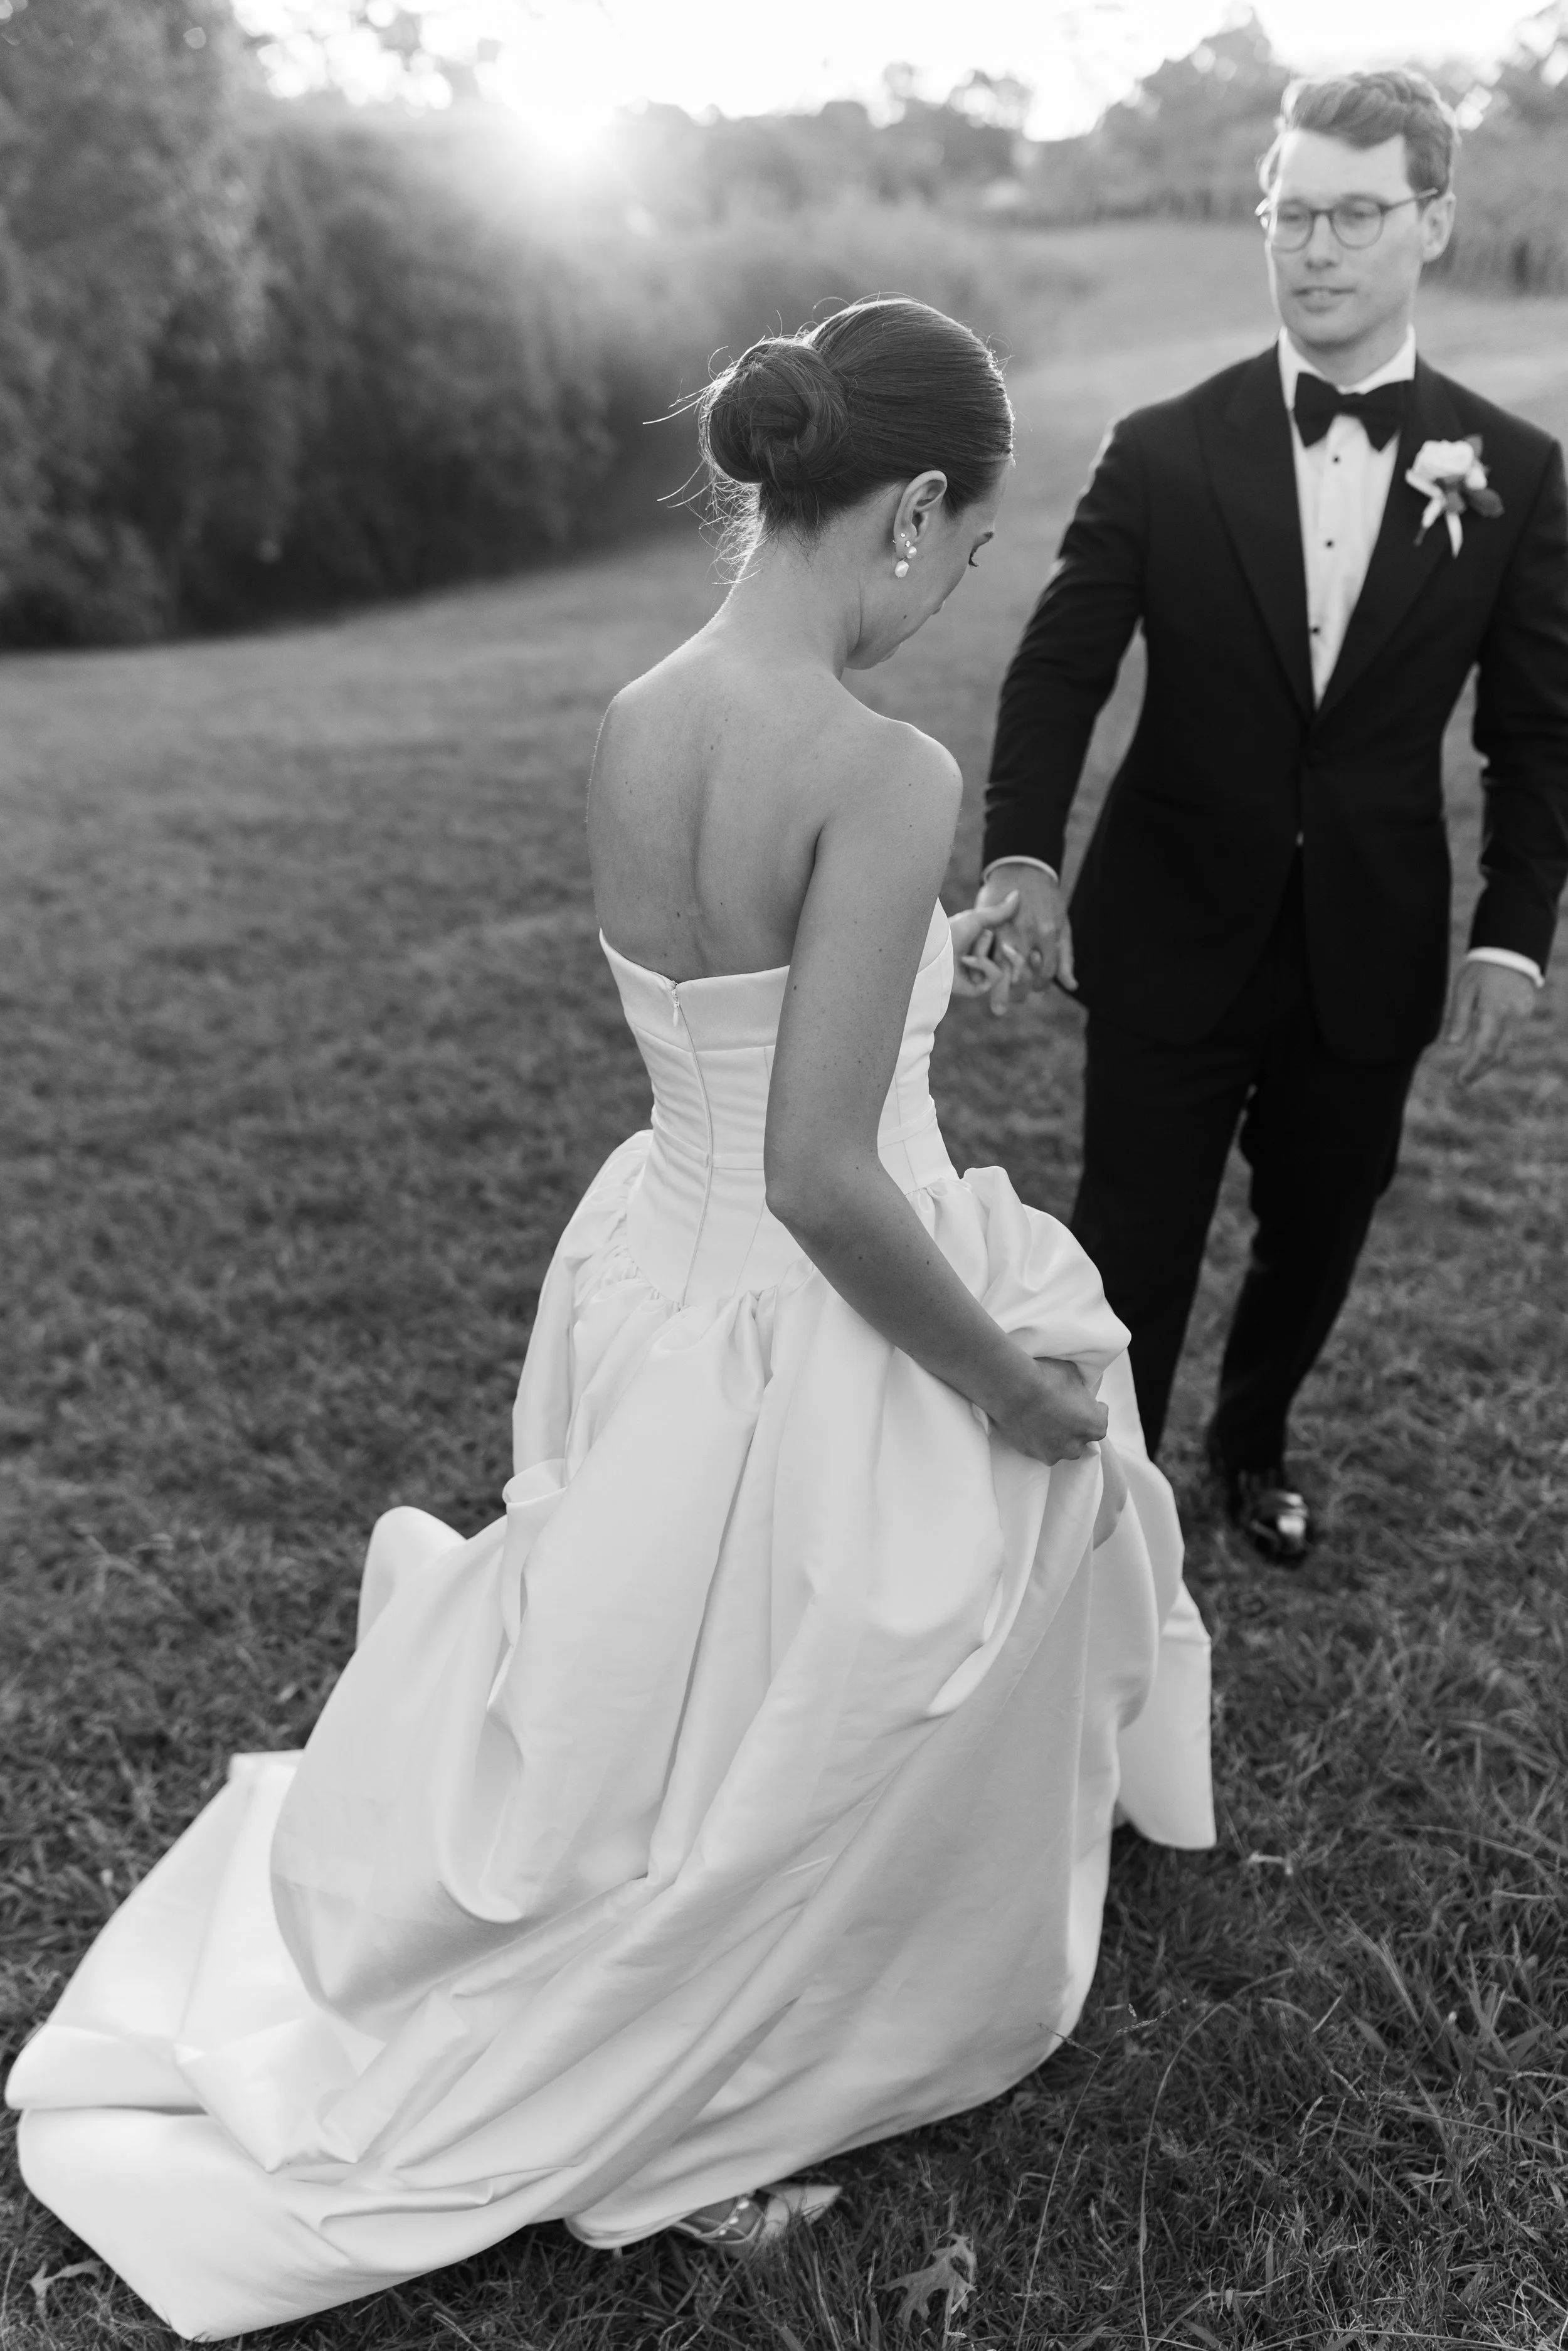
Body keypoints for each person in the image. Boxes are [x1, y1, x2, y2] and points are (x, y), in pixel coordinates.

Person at [7, 298, 1214, 2342]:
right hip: (804, 1293)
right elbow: (828, 1171)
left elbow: (732, 1023)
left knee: (674, 1678)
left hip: (656, 1251)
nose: (957, 587)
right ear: (913, 505)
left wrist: (933, 955)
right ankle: (748, 2021)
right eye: (976, 545)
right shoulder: (881, 767)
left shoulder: (648, 707)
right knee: (842, 1661)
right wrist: (1003, 1380)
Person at [977, 70, 1568, 1564]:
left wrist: (1508, 938)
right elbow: (1059, 663)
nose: (1314, 246)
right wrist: (1025, 853)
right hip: (1169, 925)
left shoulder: (1511, 472)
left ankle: (1251, 1441)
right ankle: (1103, 1510)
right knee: (1130, 1243)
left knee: (1318, 1233)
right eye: (1288, 214)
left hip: (1365, 946)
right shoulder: (1162, 445)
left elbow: (1532, 732)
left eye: (1354, 214)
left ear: (1429, 220)